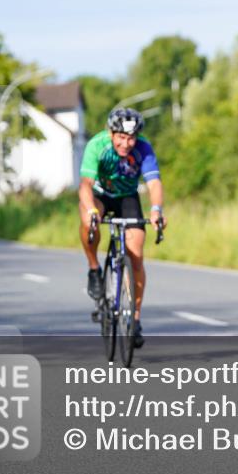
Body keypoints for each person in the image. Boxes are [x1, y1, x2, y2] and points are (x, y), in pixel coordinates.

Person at [78, 108, 166, 348]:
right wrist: (91, 210)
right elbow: (85, 185)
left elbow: (154, 183)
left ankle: (135, 320)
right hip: (99, 196)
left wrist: (156, 210)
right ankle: (94, 268)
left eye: (131, 138)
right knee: (88, 221)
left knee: (136, 255)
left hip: (127, 197)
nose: (126, 144)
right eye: (121, 137)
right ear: (111, 133)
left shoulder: (143, 148)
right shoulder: (97, 145)